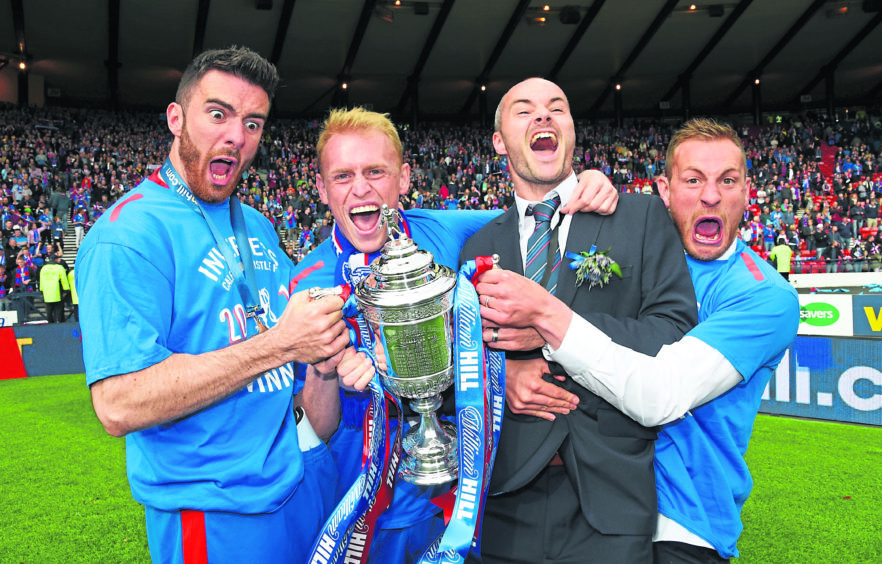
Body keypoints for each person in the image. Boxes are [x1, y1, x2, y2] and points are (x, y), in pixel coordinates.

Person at [289, 106, 618, 563]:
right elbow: (315, 426)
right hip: (362, 516)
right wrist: (325, 374)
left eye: (375, 172)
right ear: (322, 189)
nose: (361, 188)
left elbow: (534, 217)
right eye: (342, 176)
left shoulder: (446, 230)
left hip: (453, 507)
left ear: (403, 179)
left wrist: (583, 185)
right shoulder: (306, 283)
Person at [76, 46, 363, 564]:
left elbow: (290, 374)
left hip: (295, 483)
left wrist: (322, 364)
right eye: (218, 114)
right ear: (176, 118)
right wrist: (279, 344)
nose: (237, 135)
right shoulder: (129, 236)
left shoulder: (257, 224)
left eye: (254, 123)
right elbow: (118, 404)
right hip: (211, 513)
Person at [514, 118, 799, 562]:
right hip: (591, 503)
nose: (710, 195)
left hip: (680, 524)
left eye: (728, 181)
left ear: (747, 191)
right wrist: (579, 189)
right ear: (663, 190)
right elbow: (512, 226)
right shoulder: (630, 246)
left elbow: (660, 397)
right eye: (693, 180)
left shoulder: (764, 297)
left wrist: (550, 323)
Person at [460, 78, 698, 563]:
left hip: (610, 498)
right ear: (499, 142)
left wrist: (554, 330)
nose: (543, 117)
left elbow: (675, 335)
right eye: (524, 111)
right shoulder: (478, 245)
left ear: (571, 129)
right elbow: (462, 359)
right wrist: (500, 376)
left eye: (557, 108)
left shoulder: (641, 216)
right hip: (506, 500)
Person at [39, 253, 69, 322]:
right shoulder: (59, 267)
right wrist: (66, 290)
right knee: (59, 310)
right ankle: (60, 323)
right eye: (58, 259)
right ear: (55, 260)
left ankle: (50, 324)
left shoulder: (44, 268)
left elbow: (41, 281)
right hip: (57, 292)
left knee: (49, 311)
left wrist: (42, 291)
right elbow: (64, 280)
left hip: (47, 293)